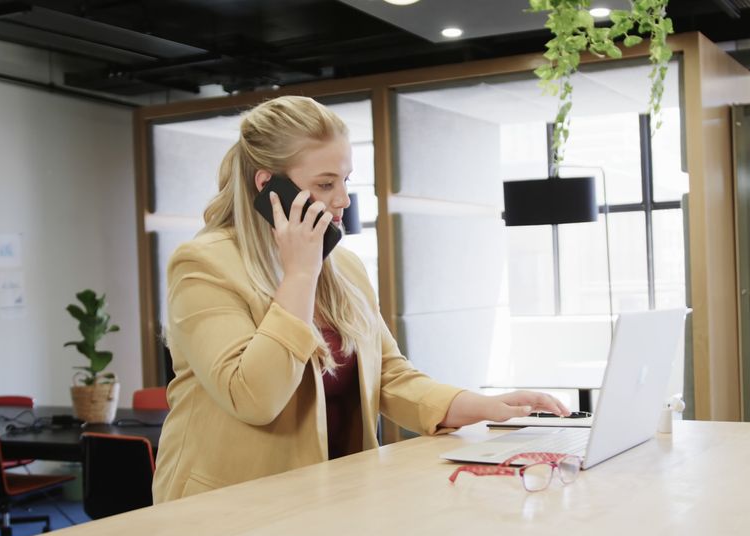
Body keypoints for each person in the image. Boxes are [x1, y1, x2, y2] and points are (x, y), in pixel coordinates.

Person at [153, 96, 569, 503]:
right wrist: (299, 274)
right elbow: (254, 399)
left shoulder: (343, 267)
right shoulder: (203, 266)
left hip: (329, 495)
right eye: (325, 184)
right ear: (268, 186)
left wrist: (483, 406)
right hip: (226, 509)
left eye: (345, 180)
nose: (343, 200)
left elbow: (390, 375)